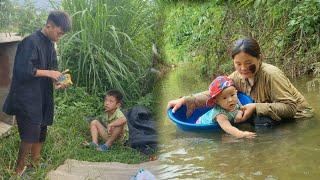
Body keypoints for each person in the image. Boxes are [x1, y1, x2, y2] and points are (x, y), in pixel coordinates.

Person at [168, 37, 313, 126]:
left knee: (260, 122)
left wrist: (255, 107)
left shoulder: (271, 74)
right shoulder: (237, 76)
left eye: (248, 62)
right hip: (273, 115)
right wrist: (188, 100)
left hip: (300, 118)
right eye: (238, 64)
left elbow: (291, 108)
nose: (243, 69)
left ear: (259, 58)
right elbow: (217, 94)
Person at [2, 10, 72, 176]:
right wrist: (49, 73)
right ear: (49, 25)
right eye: (59, 33)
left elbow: (53, 67)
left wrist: (58, 81)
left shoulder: (50, 44)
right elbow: (22, 69)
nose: (59, 37)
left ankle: (35, 162)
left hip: (43, 94)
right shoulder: (30, 42)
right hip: (27, 96)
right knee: (29, 133)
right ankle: (18, 170)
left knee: (41, 128)